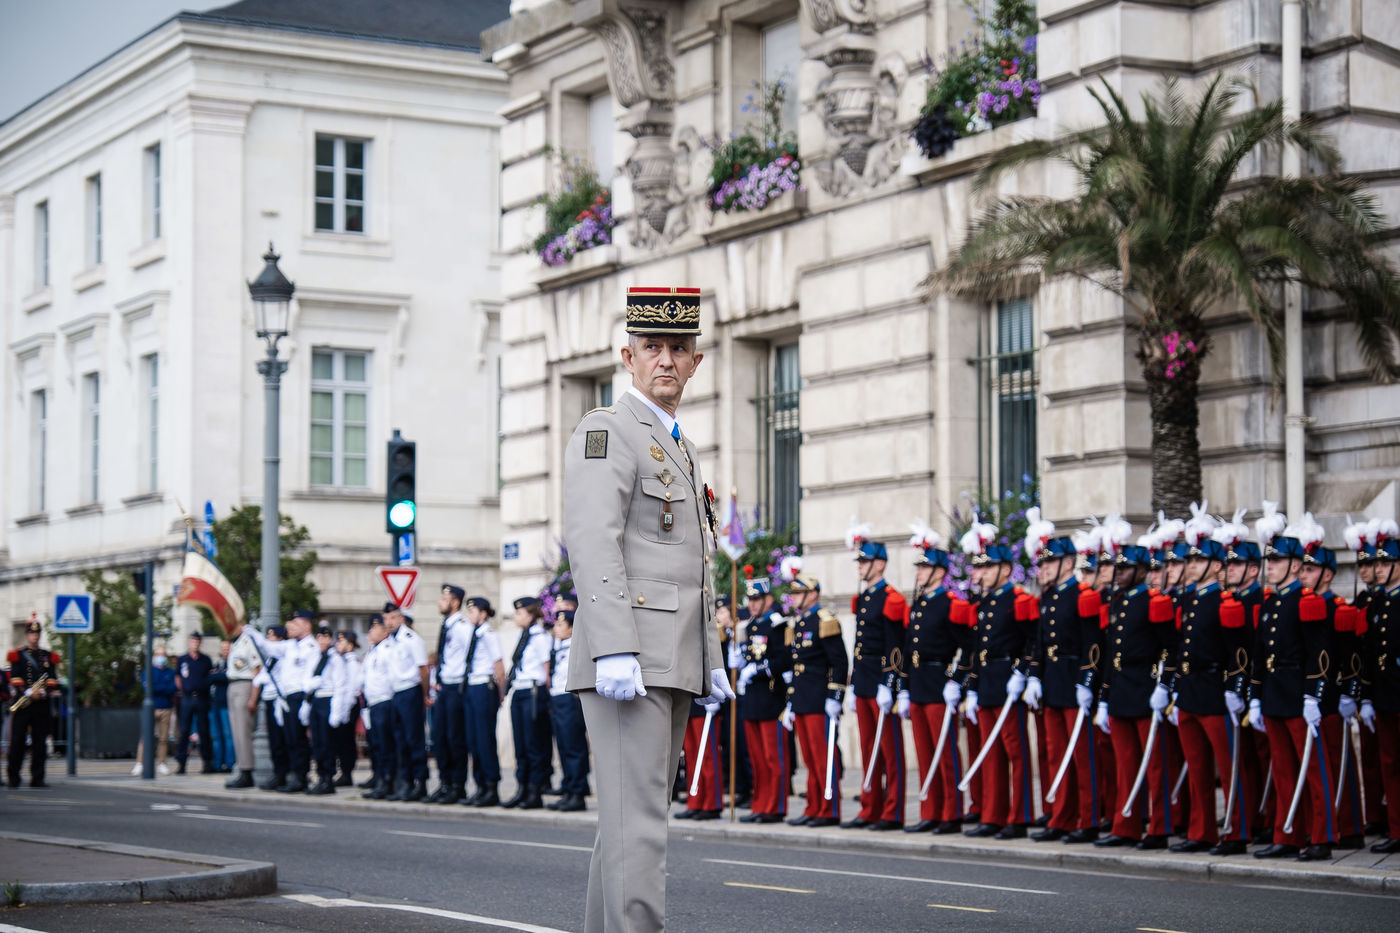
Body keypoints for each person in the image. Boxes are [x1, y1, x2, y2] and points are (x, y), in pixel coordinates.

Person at [563, 286, 730, 933]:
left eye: (678, 348)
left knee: (628, 829)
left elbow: (694, 565)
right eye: (652, 346)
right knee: (639, 835)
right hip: (629, 658)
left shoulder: (678, 444)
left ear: (696, 362)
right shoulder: (607, 429)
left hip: (670, 658)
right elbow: (592, 539)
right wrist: (612, 647)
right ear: (627, 356)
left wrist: (709, 657)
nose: (666, 359)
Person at [1249, 508, 1339, 861]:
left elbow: (1320, 654)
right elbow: (1259, 655)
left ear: (1296, 566)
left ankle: (1322, 836)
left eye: (1277, 561)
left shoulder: (1307, 601)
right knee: (1284, 770)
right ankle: (1287, 834)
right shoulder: (1270, 603)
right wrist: (1255, 697)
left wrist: (1313, 696)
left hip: (1300, 695)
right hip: (1274, 694)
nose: (1269, 567)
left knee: (1313, 769)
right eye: (1268, 561)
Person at [1170, 514, 1254, 855]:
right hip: (1190, 691)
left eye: (1199, 559)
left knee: (1230, 767)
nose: (1191, 565)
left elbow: (1240, 653)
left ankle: (1236, 831)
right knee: (1197, 769)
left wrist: (1236, 689)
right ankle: (1201, 830)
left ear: (1217, 566)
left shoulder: (1225, 602)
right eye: (1190, 559)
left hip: (1215, 691)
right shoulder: (1189, 600)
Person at [1094, 520, 1180, 850]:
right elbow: (1110, 652)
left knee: (1155, 764)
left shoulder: (1155, 602)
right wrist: (1104, 696)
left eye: (1126, 568)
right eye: (1118, 568)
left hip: (1146, 688)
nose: (1119, 573)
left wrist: (1164, 686)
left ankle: (1159, 827)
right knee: (1125, 763)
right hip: (1120, 690)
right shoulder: (1116, 601)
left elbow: (1171, 648)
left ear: (1142, 570)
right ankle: (1125, 825)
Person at [1022, 514, 1104, 844]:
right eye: (1042, 562)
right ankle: (1062, 817)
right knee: (1057, 754)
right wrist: (1034, 677)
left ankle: (1089, 819)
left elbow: (1093, 645)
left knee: (1083, 755)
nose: (1042, 568)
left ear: (1068, 563)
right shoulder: (1048, 598)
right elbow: (1039, 644)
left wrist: (1087, 680)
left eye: (1049, 562)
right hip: (1053, 681)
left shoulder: (1084, 595)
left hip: (1074, 679)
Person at [960, 521, 1039, 840]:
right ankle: (993, 816)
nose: (982, 573)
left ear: (1006, 570)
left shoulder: (1019, 600)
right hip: (988, 683)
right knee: (990, 754)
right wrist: (972, 688)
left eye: (989, 567)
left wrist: (1023, 672)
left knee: (1015, 753)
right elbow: (977, 649)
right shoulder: (984, 604)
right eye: (979, 567)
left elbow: (1033, 641)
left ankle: (1019, 816)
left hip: (1009, 683)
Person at [902, 523, 972, 835]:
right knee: (924, 752)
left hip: (939, 683)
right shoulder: (919, 603)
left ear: (940, 572)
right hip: (919, 683)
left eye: (925, 567)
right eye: (919, 567)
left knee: (945, 753)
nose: (919, 572)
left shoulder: (951, 604)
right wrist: (904, 688)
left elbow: (968, 647)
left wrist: (957, 681)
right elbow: (908, 649)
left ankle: (951, 813)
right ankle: (930, 811)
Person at [842, 524, 909, 831]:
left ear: (880, 564)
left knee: (890, 751)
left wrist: (890, 684)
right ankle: (870, 808)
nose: (860, 566)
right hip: (864, 680)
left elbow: (896, 647)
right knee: (869, 747)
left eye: (865, 561)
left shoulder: (891, 598)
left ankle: (893, 811)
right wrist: (854, 685)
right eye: (859, 561)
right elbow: (860, 645)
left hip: (883, 682)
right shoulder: (865, 598)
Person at [778, 558, 846, 828]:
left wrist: (835, 697)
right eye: (793, 593)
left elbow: (839, 662)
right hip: (803, 698)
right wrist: (791, 701)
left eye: (799, 593)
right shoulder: (798, 623)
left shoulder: (824, 620)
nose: (794, 598)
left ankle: (829, 809)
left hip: (820, 699)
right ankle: (814, 807)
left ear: (813, 594)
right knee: (809, 758)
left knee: (822, 757)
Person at [736, 579, 793, 824]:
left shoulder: (777, 625)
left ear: (768, 600)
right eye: (750, 600)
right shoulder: (750, 626)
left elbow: (784, 660)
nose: (752, 604)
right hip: (752, 699)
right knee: (757, 759)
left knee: (773, 758)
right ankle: (760, 805)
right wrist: (740, 662)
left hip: (771, 698)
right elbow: (750, 655)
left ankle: (775, 807)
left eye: (757, 599)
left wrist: (758, 670)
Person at [243, 610, 320, 793]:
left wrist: (307, 701)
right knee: (289, 739)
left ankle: (300, 777)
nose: (291, 627)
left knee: (298, 740)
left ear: (306, 625)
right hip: (286, 697)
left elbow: (311, 676)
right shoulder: (289, 645)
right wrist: (252, 632)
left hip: (300, 696)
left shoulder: (312, 647)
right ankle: (290, 775)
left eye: (296, 623)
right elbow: (268, 647)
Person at [1362, 523, 1400, 853]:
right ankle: (1396, 828)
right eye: (1378, 563)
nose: (1379, 568)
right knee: (1390, 763)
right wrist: (1366, 696)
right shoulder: (1377, 602)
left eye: (1387, 563)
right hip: (1385, 695)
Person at [504, 596, 554, 809]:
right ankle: (522, 788)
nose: (516, 617)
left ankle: (535, 791)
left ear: (531, 614)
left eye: (520, 613)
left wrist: (549, 698)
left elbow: (547, 669)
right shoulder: (523, 636)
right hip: (519, 690)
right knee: (520, 744)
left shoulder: (540, 637)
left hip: (534, 692)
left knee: (534, 744)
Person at [459, 596, 505, 806]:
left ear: (483, 614)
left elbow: (499, 666)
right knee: (473, 739)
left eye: (472, 611)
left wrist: (501, 692)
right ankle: (480, 785)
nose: (469, 615)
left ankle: (491, 786)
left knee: (485, 739)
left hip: (484, 687)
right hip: (471, 685)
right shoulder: (473, 634)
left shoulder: (489, 634)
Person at [383, 604, 430, 801]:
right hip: (396, 693)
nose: (389, 622)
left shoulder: (411, 639)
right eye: (386, 619)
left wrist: (425, 694)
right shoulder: (390, 642)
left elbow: (423, 669)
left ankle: (420, 783)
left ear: (401, 618)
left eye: (393, 618)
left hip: (411, 691)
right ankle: (406, 782)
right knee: (400, 741)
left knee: (414, 739)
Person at [7, 617, 60, 788]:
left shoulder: (48, 656)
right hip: (23, 702)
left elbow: (52, 679)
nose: (35, 636)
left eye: (37, 633)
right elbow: (15, 677)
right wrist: (29, 692)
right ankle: (13, 777)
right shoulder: (18, 655)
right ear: (27, 635)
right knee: (17, 741)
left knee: (40, 742)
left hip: (41, 704)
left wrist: (43, 691)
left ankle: (38, 778)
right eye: (31, 633)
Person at [429, 585, 471, 804]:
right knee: (439, 737)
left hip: (456, 687)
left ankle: (457, 785)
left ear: (455, 603)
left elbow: (469, 656)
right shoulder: (447, 625)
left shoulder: (463, 626)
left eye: (444, 599)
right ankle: (444, 782)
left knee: (455, 738)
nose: (440, 602)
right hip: (444, 687)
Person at [547, 608, 589, 812]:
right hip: (557, 698)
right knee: (563, 747)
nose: (556, 628)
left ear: (572, 629)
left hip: (570, 699)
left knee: (573, 747)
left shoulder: (576, 646)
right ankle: (568, 789)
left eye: (561, 625)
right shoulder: (558, 645)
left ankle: (578, 792)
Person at [360, 616, 398, 799]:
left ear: (384, 631)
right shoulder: (373, 651)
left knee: (385, 745)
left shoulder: (388, 649)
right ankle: (380, 778)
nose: (370, 632)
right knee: (376, 744)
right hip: (373, 703)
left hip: (384, 701)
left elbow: (392, 677)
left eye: (374, 628)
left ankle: (388, 782)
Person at [250, 625, 290, 790]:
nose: (268, 639)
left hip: (279, 701)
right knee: (275, 740)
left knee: (282, 739)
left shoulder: (282, 654)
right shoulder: (270, 659)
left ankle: (285, 774)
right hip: (269, 699)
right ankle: (278, 773)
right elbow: (260, 678)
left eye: (271, 636)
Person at [305, 626, 342, 794]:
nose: (322, 641)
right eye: (319, 637)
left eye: (326, 637)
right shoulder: (314, 657)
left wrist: (336, 710)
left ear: (330, 640)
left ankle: (328, 778)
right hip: (316, 699)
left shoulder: (335, 659)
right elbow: (307, 679)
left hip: (328, 699)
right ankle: (321, 776)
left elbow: (340, 685)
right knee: (317, 742)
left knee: (327, 742)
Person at [131, 645, 178, 776]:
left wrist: (158, 687)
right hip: (151, 708)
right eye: (158, 654)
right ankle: (140, 763)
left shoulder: (170, 672)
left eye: (163, 654)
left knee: (163, 738)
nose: (161, 657)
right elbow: (148, 689)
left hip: (166, 707)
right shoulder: (148, 671)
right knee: (145, 737)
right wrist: (163, 687)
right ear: (154, 656)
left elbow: (172, 689)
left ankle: (161, 763)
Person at [224, 626, 261, 788]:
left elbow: (256, 669)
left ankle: (247, 771)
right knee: (236, 732)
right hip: (233, 684)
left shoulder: (248, 642)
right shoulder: (235, 643)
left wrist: (253, 697)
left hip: (244, 685)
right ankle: (242, 767)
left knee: (243, 731)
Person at [174, 632, 215, 775]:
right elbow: (178, 677)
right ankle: (181, 763)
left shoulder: (206, 660)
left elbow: (210, 677)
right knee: (184, 731)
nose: (195, 644)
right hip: (187, 698)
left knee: (204, 731)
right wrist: (182, 690)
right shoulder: (183, 659)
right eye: (193, 641)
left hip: (202, 698)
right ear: (189, 642)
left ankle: (207, 763)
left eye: (197, 641)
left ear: (200, 643)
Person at [207, 639, 234, 773]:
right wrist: (219, 675)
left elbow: (227, 676)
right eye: (223, 649)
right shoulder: (218, 663)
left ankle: (229, 763)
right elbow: (209, 679)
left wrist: (217, 676)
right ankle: (218, 764)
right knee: (217, 736)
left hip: (226, 705)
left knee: (228, 735)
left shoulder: (233, 662)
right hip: (215, 704)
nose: (225, 651)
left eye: (227, 648)